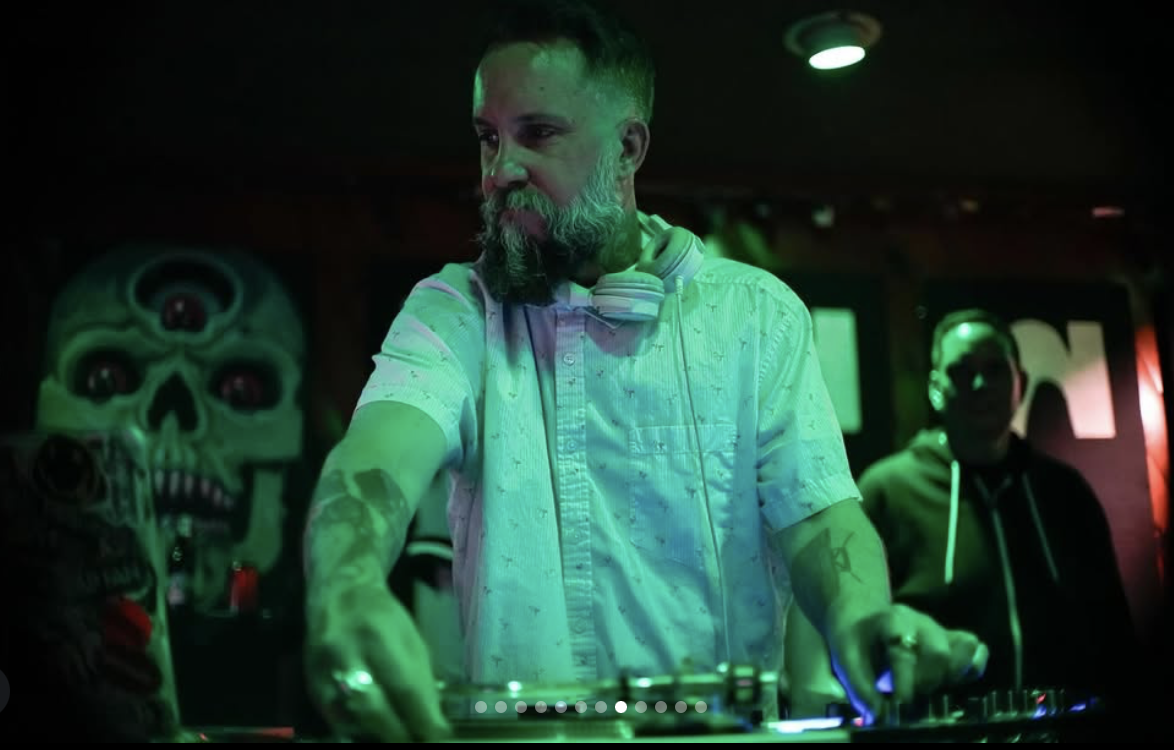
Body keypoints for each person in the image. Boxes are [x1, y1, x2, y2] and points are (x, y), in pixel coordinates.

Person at [300, 0, 987, 741]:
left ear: (628, 148)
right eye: (488, 138)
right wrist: (346, 585)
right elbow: (375, 462)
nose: (500, 171)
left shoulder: (756, 315)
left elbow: (818, 516)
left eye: (538, 133)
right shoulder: (455, 311)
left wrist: (862, 616)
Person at [785, 308, 1142, 720]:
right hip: (936, 731)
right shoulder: (889, 488)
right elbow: (843, 609)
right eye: (962, 371)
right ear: (935, 388)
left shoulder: (1064, 491)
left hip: (1065, 728)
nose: (979, 384)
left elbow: (1114, 627)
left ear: (1021, 383)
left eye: (994, 369)